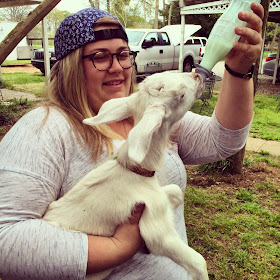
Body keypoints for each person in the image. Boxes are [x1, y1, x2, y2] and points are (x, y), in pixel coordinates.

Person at [0, 4, 264, 280]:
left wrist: (238, 69)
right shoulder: (45, 128)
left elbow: (223, 141)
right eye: (100, 56)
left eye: (123, 54)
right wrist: (117, 248)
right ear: (71, 66)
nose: (117, 67)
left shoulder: (150, 113)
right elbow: (5, 236)